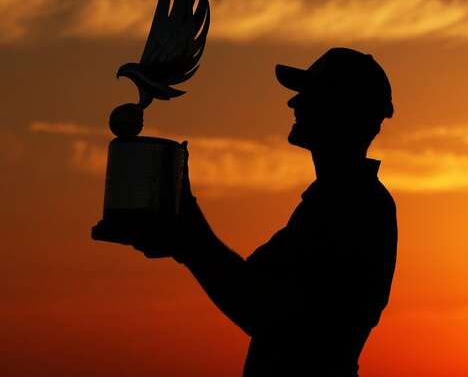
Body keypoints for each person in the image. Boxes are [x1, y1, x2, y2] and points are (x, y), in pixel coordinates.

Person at [93, 47, 398, 377]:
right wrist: (186, 235)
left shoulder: (352, 209)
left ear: (341, 110)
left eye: (310, 95)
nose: (293, 103)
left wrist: (188, 236)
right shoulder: (339, 203)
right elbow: (252, 289)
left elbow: (258, 307)